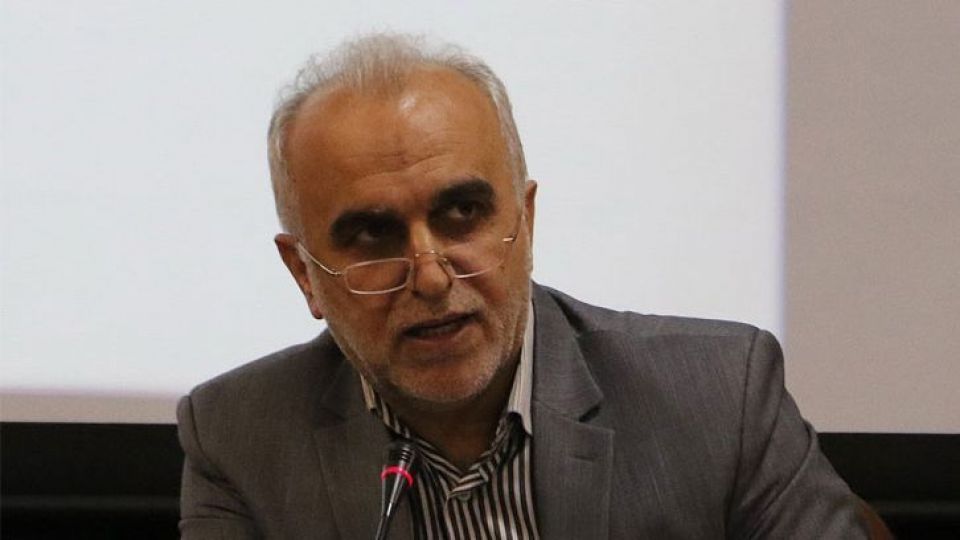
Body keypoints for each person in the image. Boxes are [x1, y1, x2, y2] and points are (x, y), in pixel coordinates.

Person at [177, 33, 871, 539]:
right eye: (372, 236)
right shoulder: (240, 438)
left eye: (462, 214)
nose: (430, 276)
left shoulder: (717, 400)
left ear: (526, 222)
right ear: (305, 273)